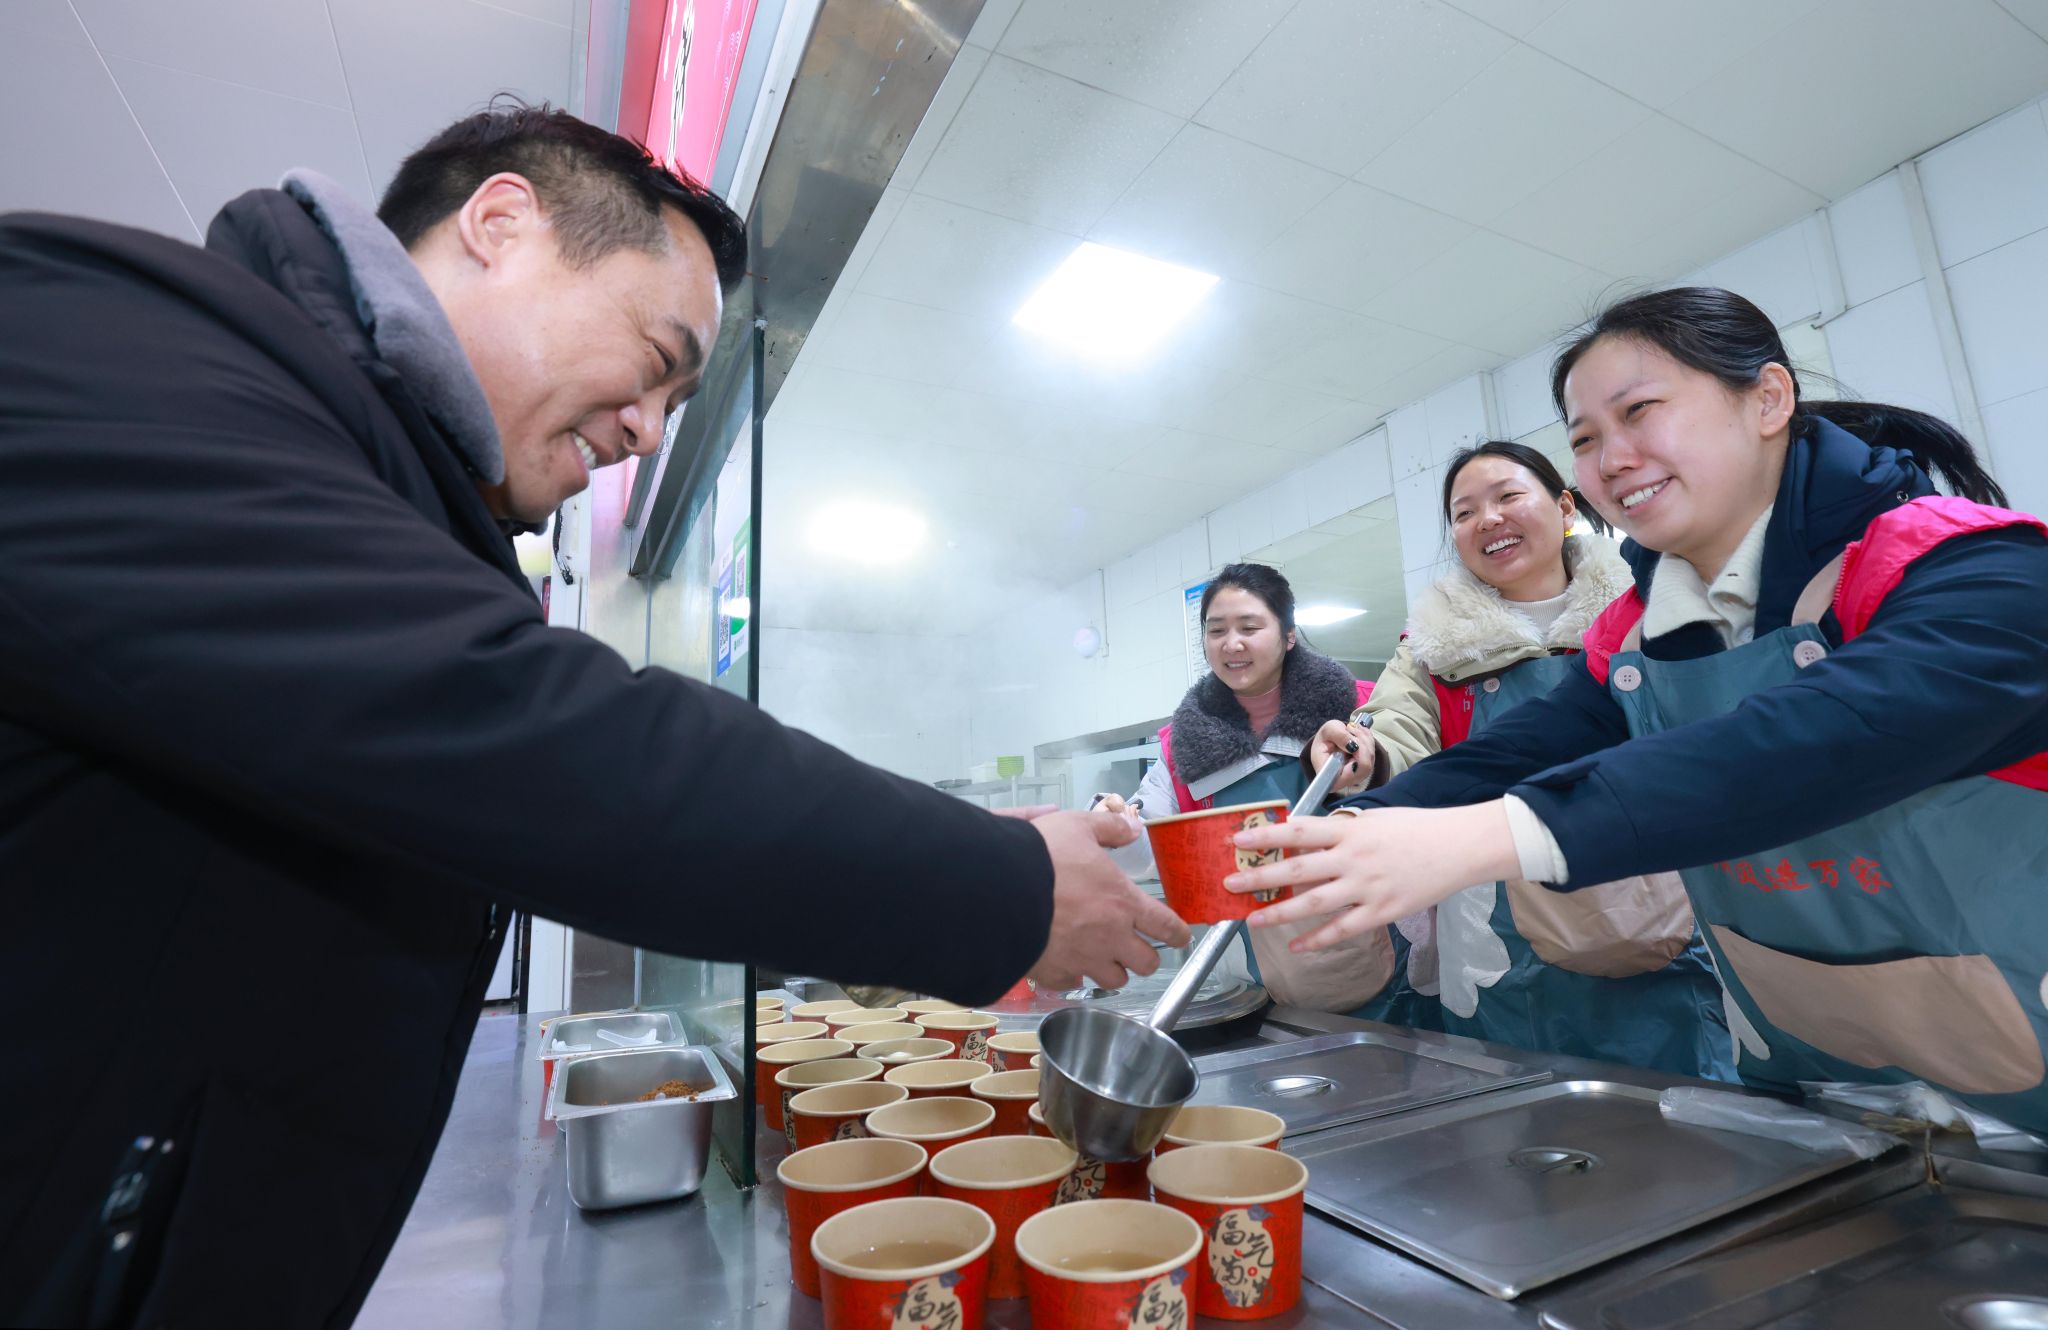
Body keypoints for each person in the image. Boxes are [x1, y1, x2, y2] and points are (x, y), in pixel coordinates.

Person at [0, 104, 1186, 1327]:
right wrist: (1003, 887)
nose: (646, 431)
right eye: (655, 359)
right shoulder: (104, 339)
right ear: (500, 222)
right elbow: (543, 740)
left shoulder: (374, 481)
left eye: (677, 402)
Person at [1229, 286, 2048, 1134]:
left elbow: (1824, 739)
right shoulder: (1634, 639)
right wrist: (1350, 826)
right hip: (1828, 1088)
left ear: (1768, 399)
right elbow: (1515, 750)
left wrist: (1479, 839)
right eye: (1586, 438)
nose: (1613, 459)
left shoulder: (1975, 567)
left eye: (1640, 412)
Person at [1291, 441, 1731, 1077]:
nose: (1487, 520)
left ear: (1565, 506)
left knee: (1675, 1103)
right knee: (1512, 1106)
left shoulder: (1647, 613)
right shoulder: (1433, 647)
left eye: (1507, 496)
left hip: (1648, 912)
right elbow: (1396, 724)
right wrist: (1362, 756)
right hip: (1496, 945)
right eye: (1464, 512)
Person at [1096, 563, 1435, 1027]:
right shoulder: (1183, 746)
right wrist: (1115, 827)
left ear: (1289, 634)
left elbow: (1422, 803)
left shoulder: (1362, 707)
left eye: (1250, 627)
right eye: (1217, 630)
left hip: (1382, 965)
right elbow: (1147, 852)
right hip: (1247, 980)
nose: (1232, 644)